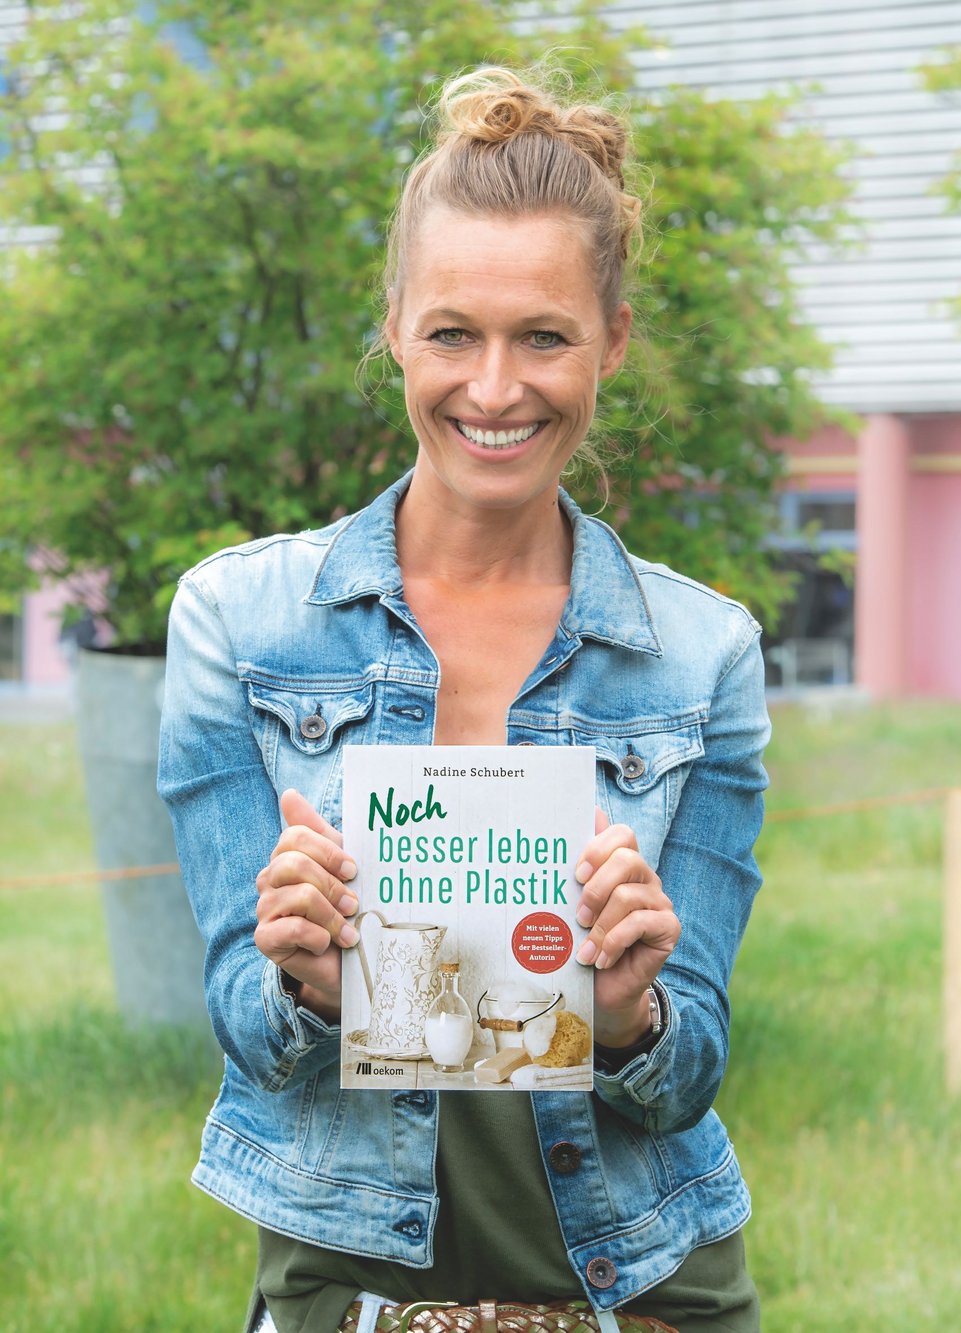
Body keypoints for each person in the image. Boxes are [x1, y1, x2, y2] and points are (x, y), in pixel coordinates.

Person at [158, 65, 770, 1333]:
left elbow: (691, 1066)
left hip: (644, 1293)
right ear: (393, 327)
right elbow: (243, 1026)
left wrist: (630, 1014)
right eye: (451, 333)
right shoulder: (238, 625)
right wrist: (306, 982)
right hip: (353, 1293)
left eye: (543, 336)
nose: (494, 389)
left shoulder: (703, 655)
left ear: (612, 340)